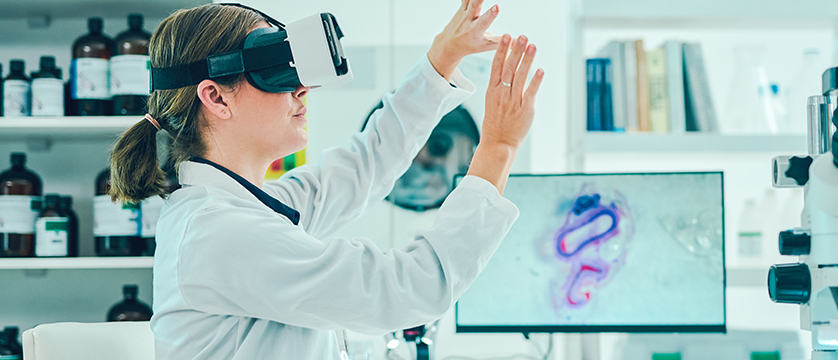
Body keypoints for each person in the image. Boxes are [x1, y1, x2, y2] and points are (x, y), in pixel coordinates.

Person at [108, 1, 543, 359]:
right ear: (216, 97)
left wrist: (442, 59)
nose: (302, 90)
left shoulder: (245, 208)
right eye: (275, 73)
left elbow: (365, 164)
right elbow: (408, 289)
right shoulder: (219, 233)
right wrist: (498, 147)